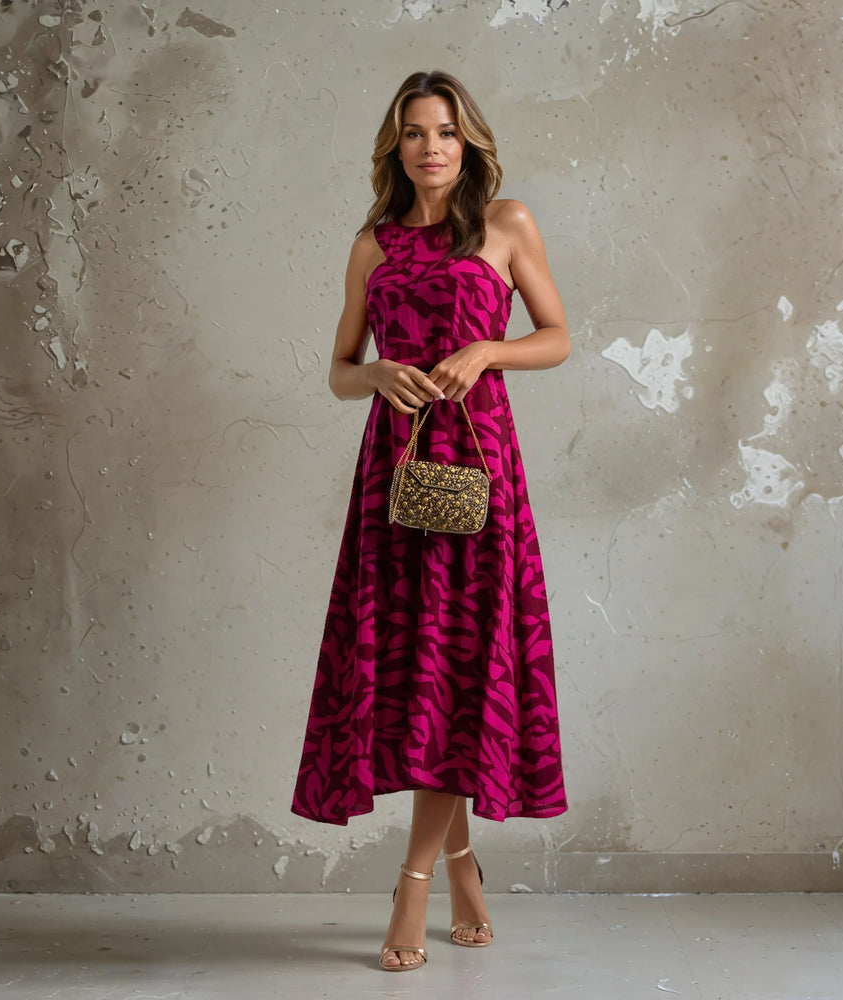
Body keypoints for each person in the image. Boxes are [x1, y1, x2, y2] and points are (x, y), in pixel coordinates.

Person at [291, 70, 570, 973]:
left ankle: (413, 882)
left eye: (445, 131)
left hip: (481, 475)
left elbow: (558, 335)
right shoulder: (372, 246)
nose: (431, 147)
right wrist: (374, 374)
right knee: (414, 673)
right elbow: (338, 365)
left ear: (469, 141)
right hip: (396, 475)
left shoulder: (508, 224)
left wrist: (490, 347)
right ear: (395, 148)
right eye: (414, 133)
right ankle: (458, 864)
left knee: (464, 666)